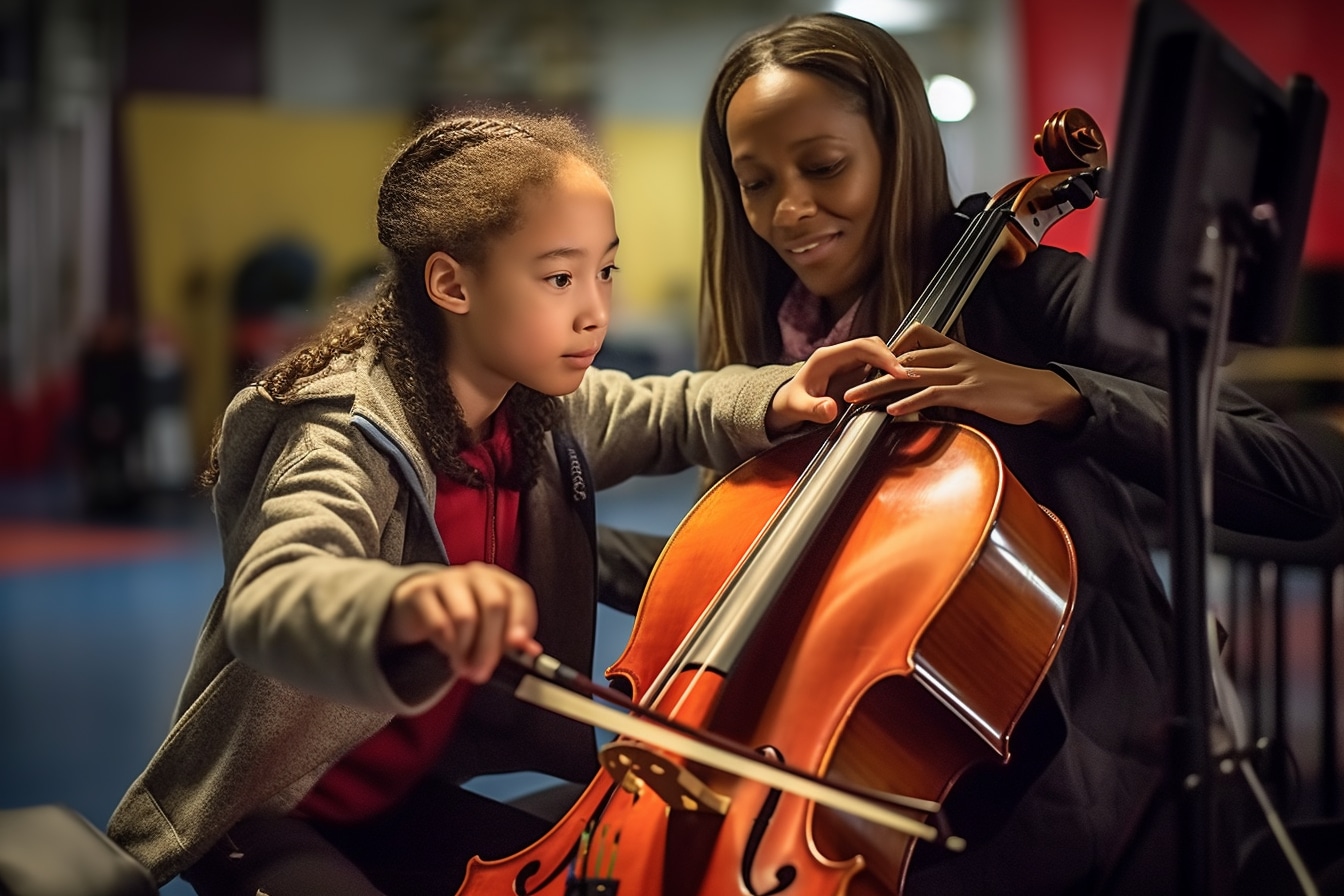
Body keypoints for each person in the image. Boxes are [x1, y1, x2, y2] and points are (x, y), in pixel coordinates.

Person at [600, 10, 1343, 895]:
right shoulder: (778, 350)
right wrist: (545, 550)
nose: (790, 210)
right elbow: (752, 579)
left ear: (898, 145)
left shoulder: (1027, 296)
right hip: (866, 771)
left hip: (1061, 780)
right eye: (756, 183)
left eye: (826, 166)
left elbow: (1304, 481)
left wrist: (1055, 394)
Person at [104, 107, 913, 896]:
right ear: (452, 283)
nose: (595, 309)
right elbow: (276, 592)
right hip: (270, 808)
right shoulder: (345, 429)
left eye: (605, 271)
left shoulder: (531, 406)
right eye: (559, 276)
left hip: (401, 799)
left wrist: (781, 393)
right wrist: (406, 598)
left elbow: (667, 409)